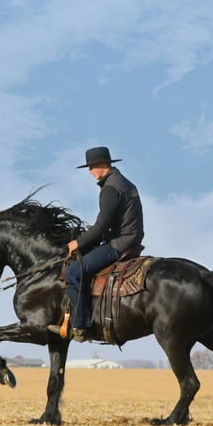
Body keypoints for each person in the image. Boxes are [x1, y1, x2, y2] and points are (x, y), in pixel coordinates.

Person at [48, 146, 144, 342]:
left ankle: (81, 325)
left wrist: (78, 243)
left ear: (101, 165)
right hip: (130, 237)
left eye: (91, 167)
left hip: (119, 242)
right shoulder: (124, 183)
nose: (90, 172)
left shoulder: (110, 188)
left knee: (75, 272)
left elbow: (102, 226)